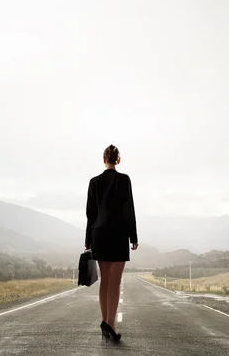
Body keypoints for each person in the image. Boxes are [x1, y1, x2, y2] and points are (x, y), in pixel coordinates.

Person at [85, 144, 139, 343]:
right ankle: (110, 325)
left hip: (99, 234)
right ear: (118, 160)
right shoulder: (124, 180)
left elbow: (90, 215)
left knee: (105, 280)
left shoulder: (94, 182)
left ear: (103, 159)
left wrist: (88, 241)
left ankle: (104, 323)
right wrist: (133, 237)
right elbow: (129, 210)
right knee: (115, 283)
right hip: (118, 235)